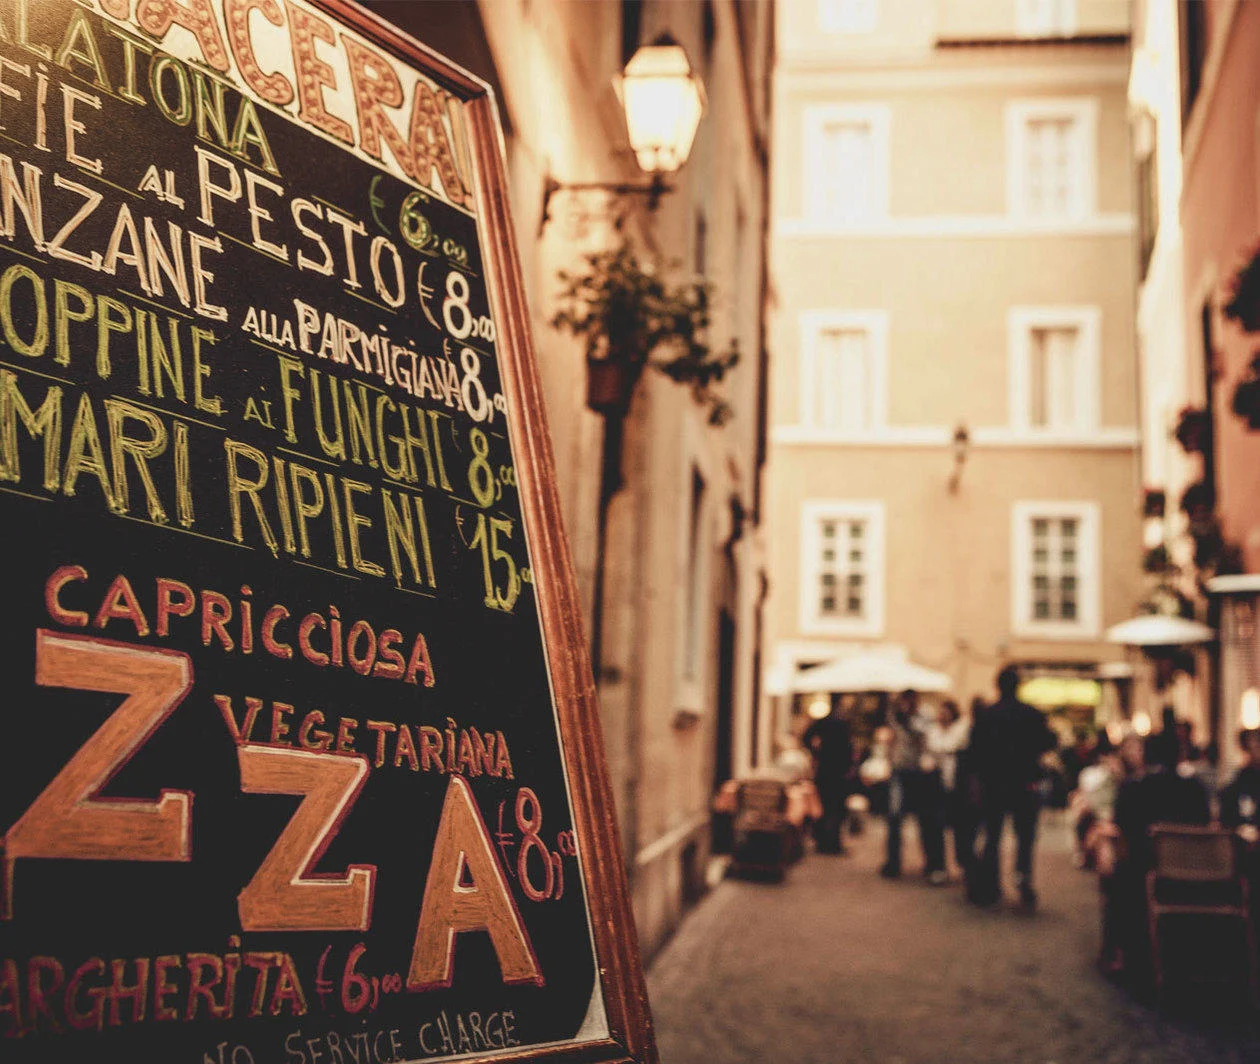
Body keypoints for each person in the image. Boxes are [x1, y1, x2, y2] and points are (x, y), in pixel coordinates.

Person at [968, 666, 1056, 910]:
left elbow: (974, 753)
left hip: (994, 785)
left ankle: (991, 885)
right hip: (1024, 784)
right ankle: (1022, 877)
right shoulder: (1032, 715)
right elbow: (1049, 742)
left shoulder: (987, 716)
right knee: (1025, 837)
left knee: (993, 836)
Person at [880, 690, 939, 880]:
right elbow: (892, 741)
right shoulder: (895, 715)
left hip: (920, 773)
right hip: (900, 770)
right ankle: (893, 863)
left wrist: (906, 720)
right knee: (894, 818)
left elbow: (923, 734)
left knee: (925, 819)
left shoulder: (924, 715)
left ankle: (932, 864)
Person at [924, 699, 971, 882]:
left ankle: (964, 864)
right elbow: (935, 749)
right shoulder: (933, 732)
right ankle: (938, 866)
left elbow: (950, 746)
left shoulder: (960, 730)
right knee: (936, 826)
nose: (942, 716)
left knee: (961, 828)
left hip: (957, 786)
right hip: (936, 785)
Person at [802, 700, 853, 854]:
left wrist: (816, 752)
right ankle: (832, 843)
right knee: (835, 808)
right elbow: (848, 749)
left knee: (825, 806)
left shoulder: (824, 722)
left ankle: (823, 841)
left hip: (826, 769)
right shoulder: (841, 724)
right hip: (836, 771)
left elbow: (806, 737)